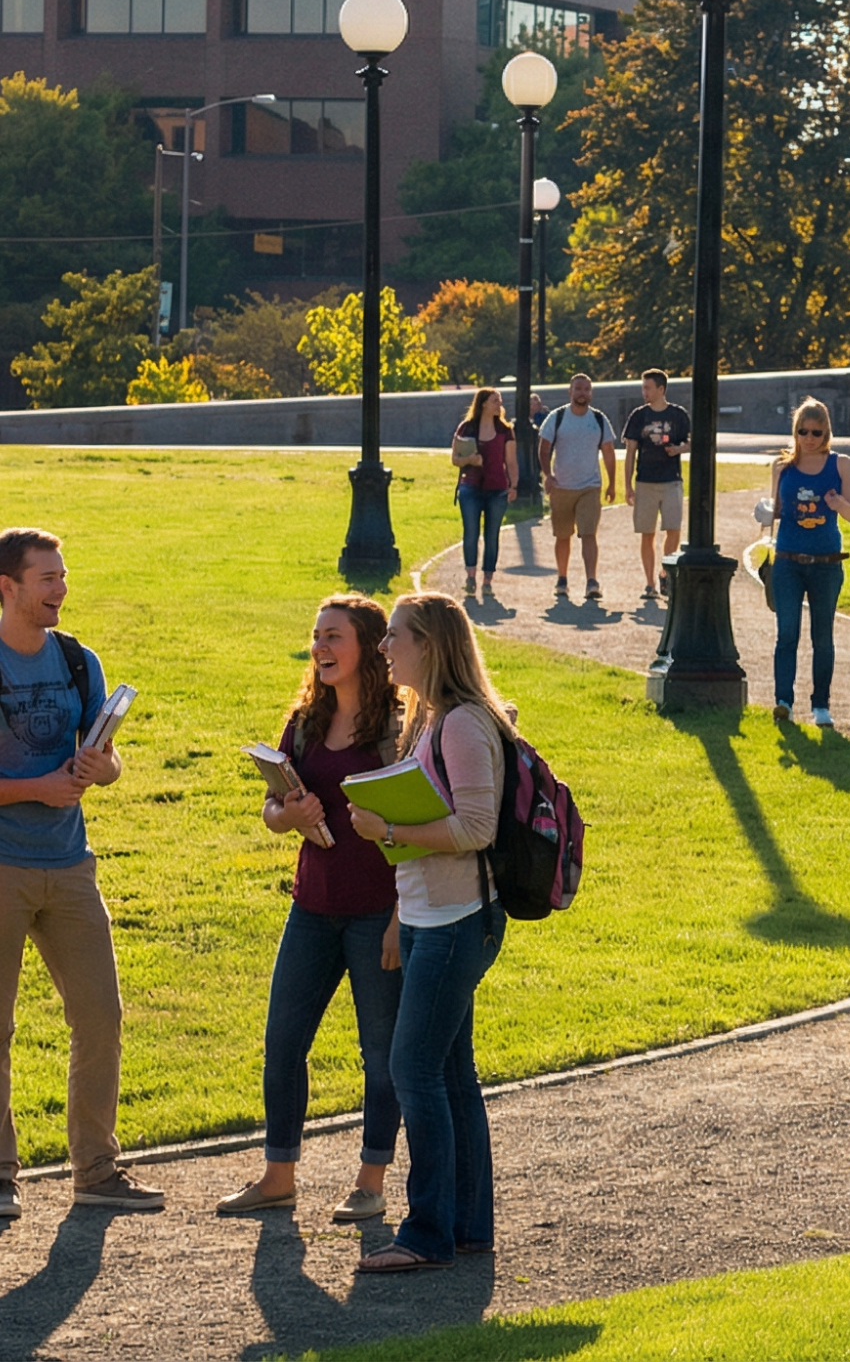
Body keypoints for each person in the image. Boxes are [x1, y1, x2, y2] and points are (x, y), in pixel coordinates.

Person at [217, 595, 404, 1221]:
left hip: (381, 910)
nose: (321, 647)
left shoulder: (398, 730)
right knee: (283, 1042)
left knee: (380, 1054)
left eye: (335, 637)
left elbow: (419, 824)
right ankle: (278, 1175)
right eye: (316, 636)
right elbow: (274, 808)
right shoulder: (303, 722)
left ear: (371, 648)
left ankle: (371, 1181)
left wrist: (403, 920)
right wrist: (286, 815)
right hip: (313, 906)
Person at [0, 527, 162, 1219]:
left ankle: (96, 1172)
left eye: (62, 576)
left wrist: (103, 766)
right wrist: (34, 788)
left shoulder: (76, 660)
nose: (61, 589)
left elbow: (110, 757)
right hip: (3, 867)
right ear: (7, 587)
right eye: (47, 578)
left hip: (70, 866)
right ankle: (1, 1178)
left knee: (100, 1017)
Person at [349, 592, 512, 1273]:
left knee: (413, 1068)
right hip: (428, 916)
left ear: (431, 644)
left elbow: (477, 829)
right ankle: (466, 1227)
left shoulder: (464, 726)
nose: (384, 648)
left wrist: (389, 830)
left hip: (456, 921)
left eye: (395, 637)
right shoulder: (432, 719)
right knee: (449, 1073)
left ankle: (427, 1234)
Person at [767, 400, 850, 729]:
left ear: (826, 432)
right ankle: (783, 702)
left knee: (823, 636)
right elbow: (775, 510)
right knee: (786, 633)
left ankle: (821, 704)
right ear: (795, 431)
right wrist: (765, 512)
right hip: (788, 561)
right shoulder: (782, 467)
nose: (809, 438)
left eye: (816, 432)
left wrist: (837, 502)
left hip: (827, 562)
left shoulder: (841, 464)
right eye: (803, 431)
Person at [538, 373, 617, 601]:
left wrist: (611, 483)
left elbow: (609, 453)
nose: (582, 393)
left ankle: (592, 581)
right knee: (563, 536)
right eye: (578, 389)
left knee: (589, 533)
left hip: (589, 486)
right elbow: (544, 449)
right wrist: (548, 475)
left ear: (591, 393)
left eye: (586, 390)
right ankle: (562, 579)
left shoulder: (599, 420)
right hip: (562, 486)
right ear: (570, 392)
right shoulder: (557, 417)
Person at [622, 369, 690, 599]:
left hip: (672, 480)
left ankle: (666, 573)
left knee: (673, 529)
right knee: (647, 533)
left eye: (648, 388)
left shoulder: (678, 414)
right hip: (645, 482)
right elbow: (630, 451)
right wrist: (628, 485)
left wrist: (678, 449)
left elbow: (693, 442)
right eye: (643, 388)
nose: (645, 392)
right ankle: (649, 583)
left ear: (661, 389)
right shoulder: (638, 416)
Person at [453, 389, 518, 599]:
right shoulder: (466, 427)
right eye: (494, 400)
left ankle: (487, 580)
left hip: (497, 489)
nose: (499, 403)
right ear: (482, 404)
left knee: (492, 535)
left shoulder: (505, 430)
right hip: (470, 487)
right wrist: (470, 461)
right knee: (471, 532)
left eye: (499, 400)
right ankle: (470, 577)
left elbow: (511, 461)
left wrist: (514, 485)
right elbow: (455, 458)